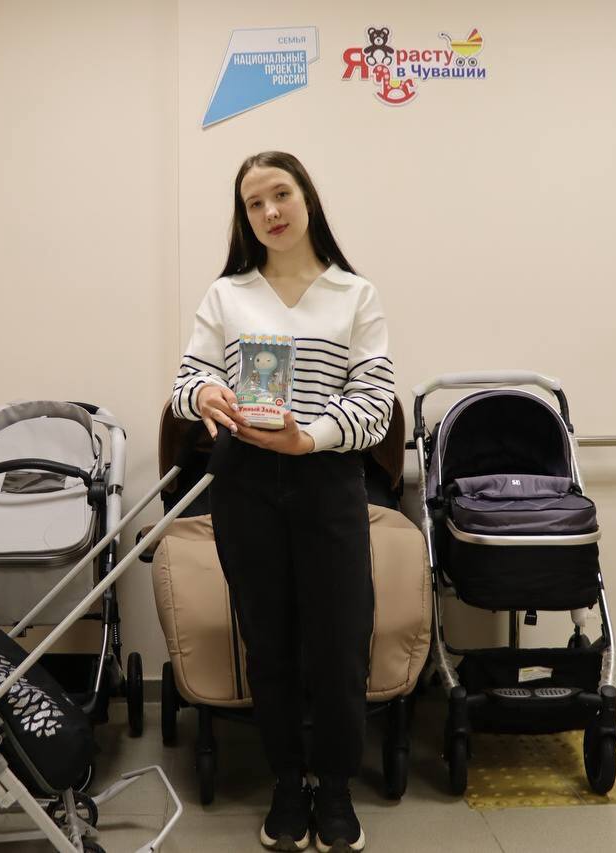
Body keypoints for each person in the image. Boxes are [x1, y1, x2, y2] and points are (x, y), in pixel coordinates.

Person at [170, 151, 394, 852]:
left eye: (281, 194)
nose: (270, 211)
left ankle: (336, 787)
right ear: (243, 218)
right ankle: (288, 783)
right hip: (244, 484)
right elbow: (186, 382)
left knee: (339, 642)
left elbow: (377, 403)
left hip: (327, 481)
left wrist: (310, 438)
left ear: (307, 199)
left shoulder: (355, 294)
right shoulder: (226, 295)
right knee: (268, 643)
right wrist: (205, 393)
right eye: (254, 203)